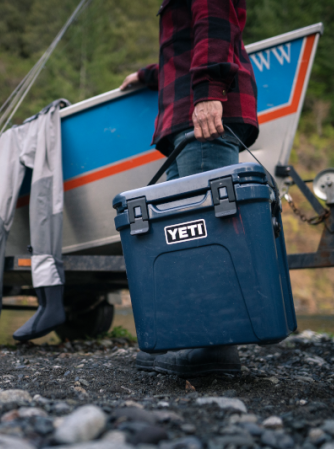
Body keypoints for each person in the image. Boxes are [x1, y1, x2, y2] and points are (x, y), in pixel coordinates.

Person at [119, 0, 258, 377]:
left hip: (203, 118)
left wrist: (209, 90)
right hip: (186, 122)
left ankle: (215, 345)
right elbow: (184, 43)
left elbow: (215, 23)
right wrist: (149, 75)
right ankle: (194, 338)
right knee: (184, 236)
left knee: (205, 233)